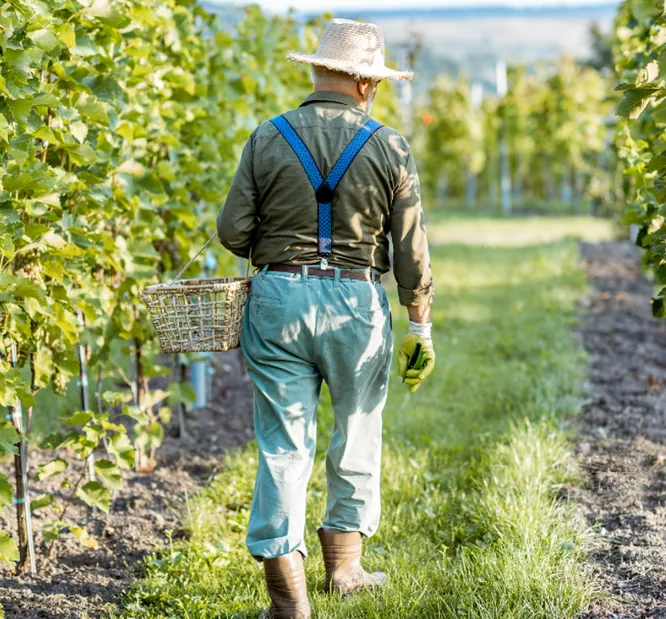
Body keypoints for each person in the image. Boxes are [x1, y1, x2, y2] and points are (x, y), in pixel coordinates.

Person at [216, 17, 435, 619]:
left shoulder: (268, 136)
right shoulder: (389, 146)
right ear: (367, 84)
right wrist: (420, 324)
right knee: (357, 430)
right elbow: (412, 252)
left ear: (315, 70)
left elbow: (233, 232)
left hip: (278, 300)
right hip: (356, 303)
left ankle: (288, 599)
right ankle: (345, 566)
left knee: (284, 447)